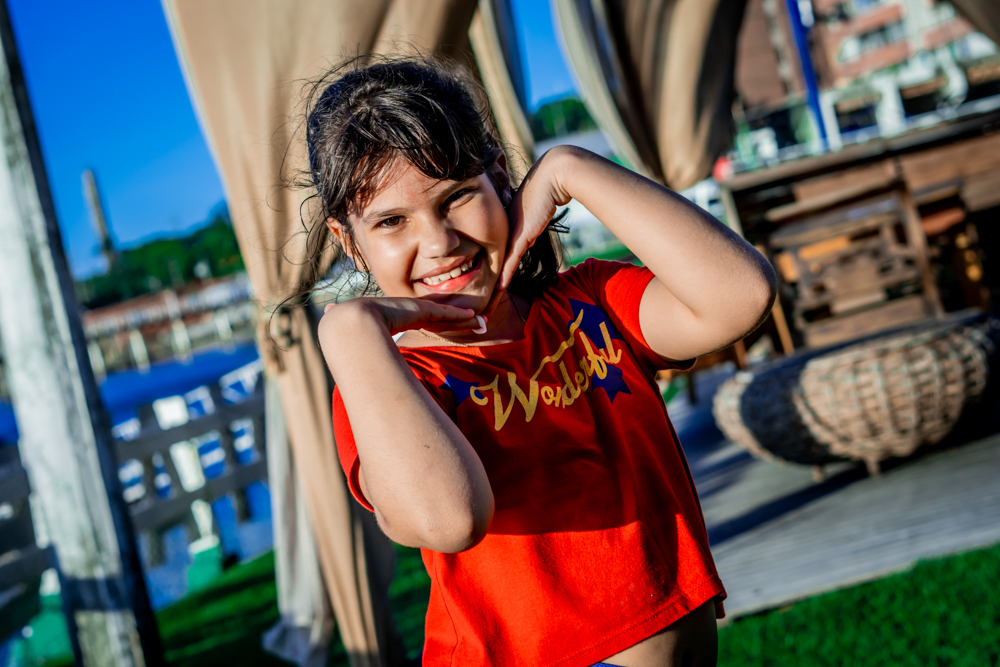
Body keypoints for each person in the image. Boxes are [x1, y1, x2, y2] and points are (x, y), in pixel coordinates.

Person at [308, 57, 776, 667]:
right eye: (392, 222)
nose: (440, 242)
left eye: (457, 196)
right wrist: (348, 329)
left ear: (500, 180)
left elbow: (741, 296)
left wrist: (568, 168)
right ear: (349, 242)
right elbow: (450, 518)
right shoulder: (393, 388)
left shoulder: (590, 303)